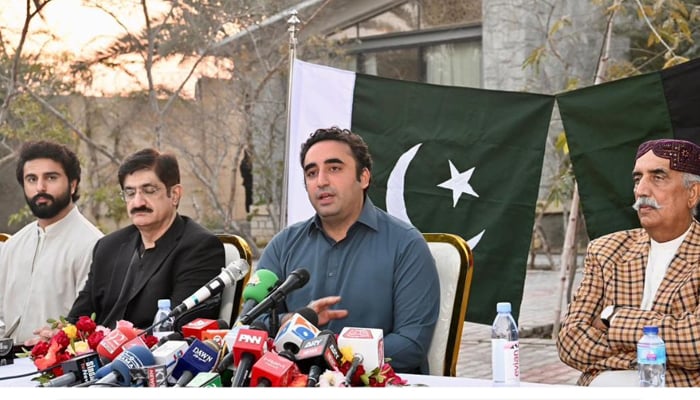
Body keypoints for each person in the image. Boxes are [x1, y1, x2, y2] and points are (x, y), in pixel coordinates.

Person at [258, 127, 440, 374]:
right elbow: (250, 326)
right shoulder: (283, 246)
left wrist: (329, 352)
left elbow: (411, 344)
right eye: (312, 173)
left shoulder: (406, 245)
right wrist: (297, 320)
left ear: (364, 178)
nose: (321, 181)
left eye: (334, 168)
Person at [557, 138, 700, 387]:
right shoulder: (606, 251)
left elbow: (695, 342)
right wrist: (646, 359)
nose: (642, 190)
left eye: (658, 177)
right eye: (637, 179)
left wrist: (613, 316)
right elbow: (570, 342)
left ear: (692, 194)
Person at [68, 148, 225, 330]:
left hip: (151, 356)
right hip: (95, 355)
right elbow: (78, 318)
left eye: (149, 191)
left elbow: (180, 329)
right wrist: (58, 336)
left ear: (174, 195)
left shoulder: (200, 248)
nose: (138, 202)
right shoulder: (108, 246)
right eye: (130, 193)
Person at [0, 140, 103, 344]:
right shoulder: (13, 246)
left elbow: (91, 324)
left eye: (51, 177)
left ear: (72, 184)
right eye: (31, 179)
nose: (40, 187)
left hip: (59, 369)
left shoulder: (94, 245)